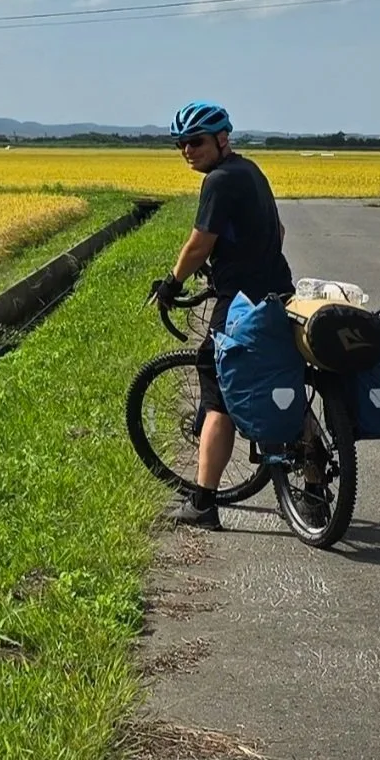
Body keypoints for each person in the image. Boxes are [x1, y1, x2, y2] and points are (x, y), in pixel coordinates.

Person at [149, 100, 295, 529]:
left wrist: (172, 284)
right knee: (284, 378)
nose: (187, 151)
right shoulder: (250, 171)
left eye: (195, 141)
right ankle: (314, 483)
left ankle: (203, 503)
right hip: (279, 292)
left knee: (217, 390)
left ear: (222, 139)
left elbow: (199, 244)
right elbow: (278, 231)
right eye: (180, 144)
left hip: (242, 305)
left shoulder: (219, 181)